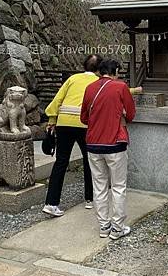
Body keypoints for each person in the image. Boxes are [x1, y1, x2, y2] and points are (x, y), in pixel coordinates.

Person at [81, 59, 136, 240]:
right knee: (118, 186)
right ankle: (117, 228)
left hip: (93, 144)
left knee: (99, 186)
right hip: (115, 143)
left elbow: (84, 118)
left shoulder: (89, 88)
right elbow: (131, 114)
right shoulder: (121, 87)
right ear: (116, 71)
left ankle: (104, 226)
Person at [42, 54, 102, 217]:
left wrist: (52, 120)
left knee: (61, 162)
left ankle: (51, 203)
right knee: (89, 160)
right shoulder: (99, 82)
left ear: (84, 66)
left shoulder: (72, 78)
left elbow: (58, 99)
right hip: (84, 124)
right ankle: (90, 199)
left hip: (64, 123)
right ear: (99, 69)